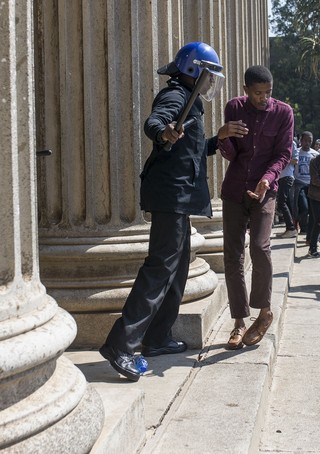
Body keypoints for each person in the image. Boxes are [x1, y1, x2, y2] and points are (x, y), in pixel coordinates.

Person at [100, 42, 225, 381]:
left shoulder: (191, 102)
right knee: (159, 269)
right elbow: (155, 123)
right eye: (209, 75)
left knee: (178, 267)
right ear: (194, 71)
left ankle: (157, 337)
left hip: (179, 198)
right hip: (171, 197)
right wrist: (163, 131)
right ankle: (121, 345)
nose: (212, 83)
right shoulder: (175, 97)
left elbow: (192, 151)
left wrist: (217, 139)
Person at [217, 65, 294, 350]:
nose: (264, 98)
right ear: (246, 90)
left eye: (268, 93)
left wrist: (267, 178)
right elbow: (232, 154)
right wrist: (224, 135)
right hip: (235, 189)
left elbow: (283, 153)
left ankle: (264, 313)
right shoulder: (234, 107)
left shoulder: (283, 112)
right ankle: (238, 321)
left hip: (265, 189)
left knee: (260, 247)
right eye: (258, 93)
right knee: (232, 256)